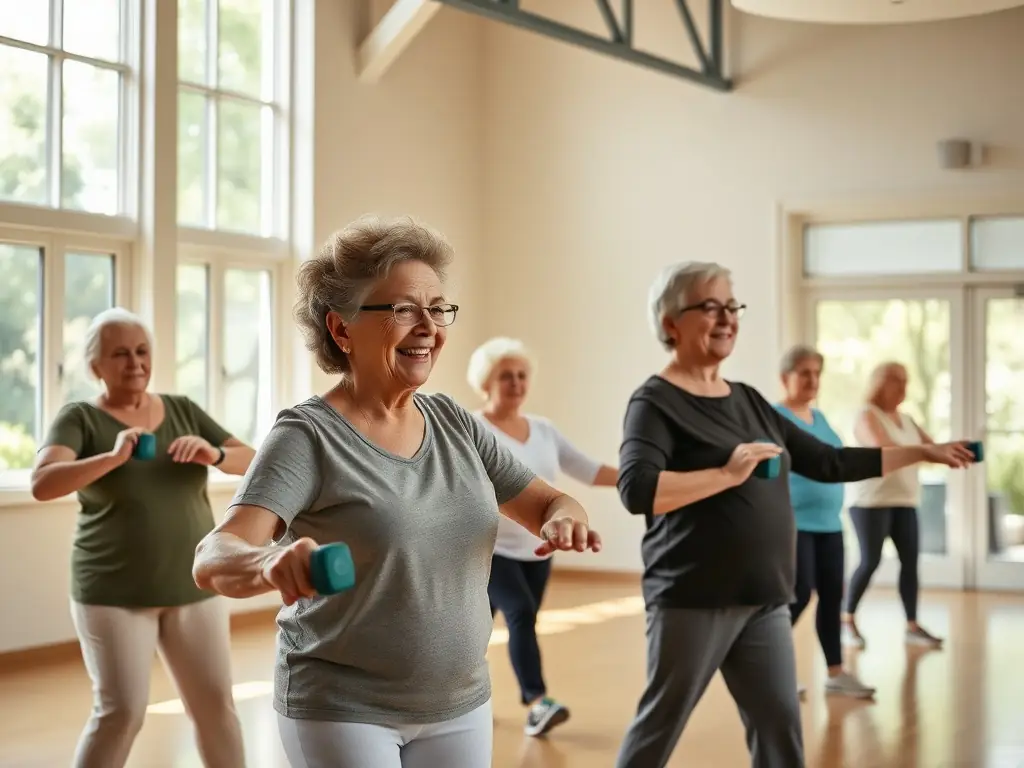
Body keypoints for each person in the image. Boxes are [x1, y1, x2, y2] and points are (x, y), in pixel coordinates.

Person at [191, 216, 602, 768]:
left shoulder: (455, 421)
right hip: (342, 707)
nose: (429, 325)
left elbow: (550, 501)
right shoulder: (307, 435)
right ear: (341, 330)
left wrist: (562, 518)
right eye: (405, 309)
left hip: (460, 701)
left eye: (438, 308)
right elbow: (214, 556)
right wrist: (270, 563)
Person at [613, 262, 974, 768]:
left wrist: (921, 452)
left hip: (766, 598)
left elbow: (829, 461)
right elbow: (637, 490)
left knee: (781, 731)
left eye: (732, 306)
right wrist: (726, 474)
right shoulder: (654, 402)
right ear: (671, 322)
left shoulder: (750, 401)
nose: (726, 318)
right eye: (710, 306)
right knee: (660, 726)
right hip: (693, 598)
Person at [30, 307, 256, 768]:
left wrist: (214, 453)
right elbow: (43, 482)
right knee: (122, 713)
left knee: (216, 708)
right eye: (120, 354)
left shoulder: (181, 409)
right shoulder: (80, 418)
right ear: (96, 367)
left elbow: (253, 460)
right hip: (113, 591)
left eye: (141, 351)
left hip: (194, 584)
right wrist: (112, 458)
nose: (134, 363)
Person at [465, 336, 618, 736]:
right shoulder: (472, 429)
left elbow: (587, 469)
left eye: (521, 376)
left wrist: (640, 478)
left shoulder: (544, 430)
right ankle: (537, 702)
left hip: (539, 550)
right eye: (505, 377)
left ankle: (458, 695)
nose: (516, 383)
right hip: (490, 550)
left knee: (477, 629)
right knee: (521, 615)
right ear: (486, 383)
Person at [775, 345, 874, 699]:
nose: (813, 380)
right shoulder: (773, 417)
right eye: (804, 373)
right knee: (798, 595)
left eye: (817, 373)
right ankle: (773, 672)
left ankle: (835, 672)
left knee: (832, 597)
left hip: (830, 524)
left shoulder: (821, 419)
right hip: (793, 523)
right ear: (785, 377)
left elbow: (835, 460)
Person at [842, 361, 945, 649]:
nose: (903, 387)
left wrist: (955, 450)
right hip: (870, 502)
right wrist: (925, 452)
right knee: (870, 561)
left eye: (905, 381)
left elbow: (931, 449)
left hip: (904, 500)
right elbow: (885, 451)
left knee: (910, 561)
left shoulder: (907, 420)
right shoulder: (867, 416)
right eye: (896, 380)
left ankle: (912, 625)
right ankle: (846, 619)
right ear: (880, 383)